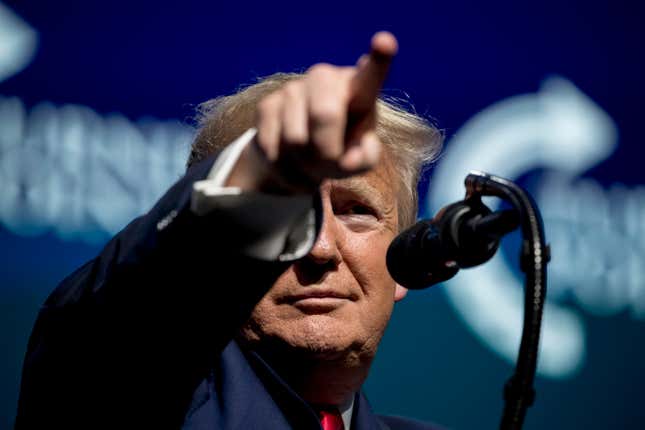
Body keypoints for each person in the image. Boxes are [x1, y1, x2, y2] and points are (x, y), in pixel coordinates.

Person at [15, 32, 444, 429]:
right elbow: (117, 316)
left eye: (356, 211)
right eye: (287, 214)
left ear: (403, 256)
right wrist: (258, 171)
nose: (320, 248)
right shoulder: (123, 387)